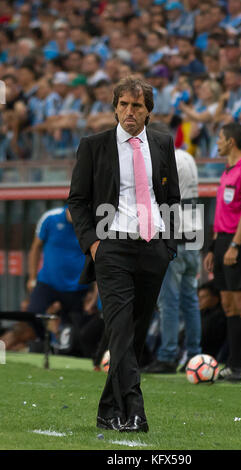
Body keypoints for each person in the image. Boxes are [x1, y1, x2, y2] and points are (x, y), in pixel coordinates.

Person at [68, 76, 180, 433]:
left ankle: (107, 408)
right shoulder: (94, 145)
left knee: (133, 332)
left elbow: (173, 199)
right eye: (123, 105)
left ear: (148, 111)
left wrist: (171, 247)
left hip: (154, 249)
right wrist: (94, 244)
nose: (129, 112)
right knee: (118, 329)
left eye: (137, 106)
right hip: (112, 247)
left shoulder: (163, 143)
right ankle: (135, 409)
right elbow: (77, 200)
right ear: (115, 107)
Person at [204, 122, 241, 382]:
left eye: (219, 137)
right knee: (228, 303)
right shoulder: (227, 170)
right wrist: (214, 248)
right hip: (223, 241)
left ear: (231, 142)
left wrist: (235, 246)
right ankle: (234, 364)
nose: (216, 142)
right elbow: (223, 212)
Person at [143, 121, 201, 374]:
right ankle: (195, 354)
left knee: (169, 300)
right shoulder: (187, 156)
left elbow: (160, 196)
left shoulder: (164, 158)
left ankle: (167, 355)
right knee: (190, 299)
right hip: (194, 235)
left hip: (175, 235)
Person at [25, 205, 90, 349]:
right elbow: (35, 248)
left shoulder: (89, 223)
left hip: (76, 287)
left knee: (75, 329)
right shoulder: (50, 218)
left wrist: (93, 290)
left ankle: (63, 349)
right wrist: (32, 277)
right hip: (48, 282)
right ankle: (44, 341)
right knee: (32, 313)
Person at [197, 280, 227, 362]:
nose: (199, 300)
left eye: (203, 297)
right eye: (198, 297)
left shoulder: (219, 318)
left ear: (215, 298)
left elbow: (203, 338)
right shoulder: (200, 314)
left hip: (209, 358)